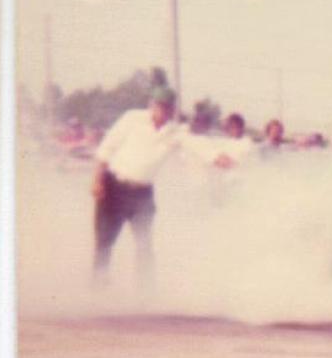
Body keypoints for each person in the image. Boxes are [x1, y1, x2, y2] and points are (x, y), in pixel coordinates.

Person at [90, 85, 233, 286]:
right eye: (159, 105)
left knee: (144, 246)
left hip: (142, 193)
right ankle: (98, 288)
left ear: (173, 109)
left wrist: (217, 157)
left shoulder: (175, 131)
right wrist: (97, 180)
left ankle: (146, 293)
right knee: (104, 243)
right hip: (114, 187)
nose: (163, 110)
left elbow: (196, 143)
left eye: (167, 107)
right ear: (151, 104)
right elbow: (107, 148)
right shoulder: (132, 119)